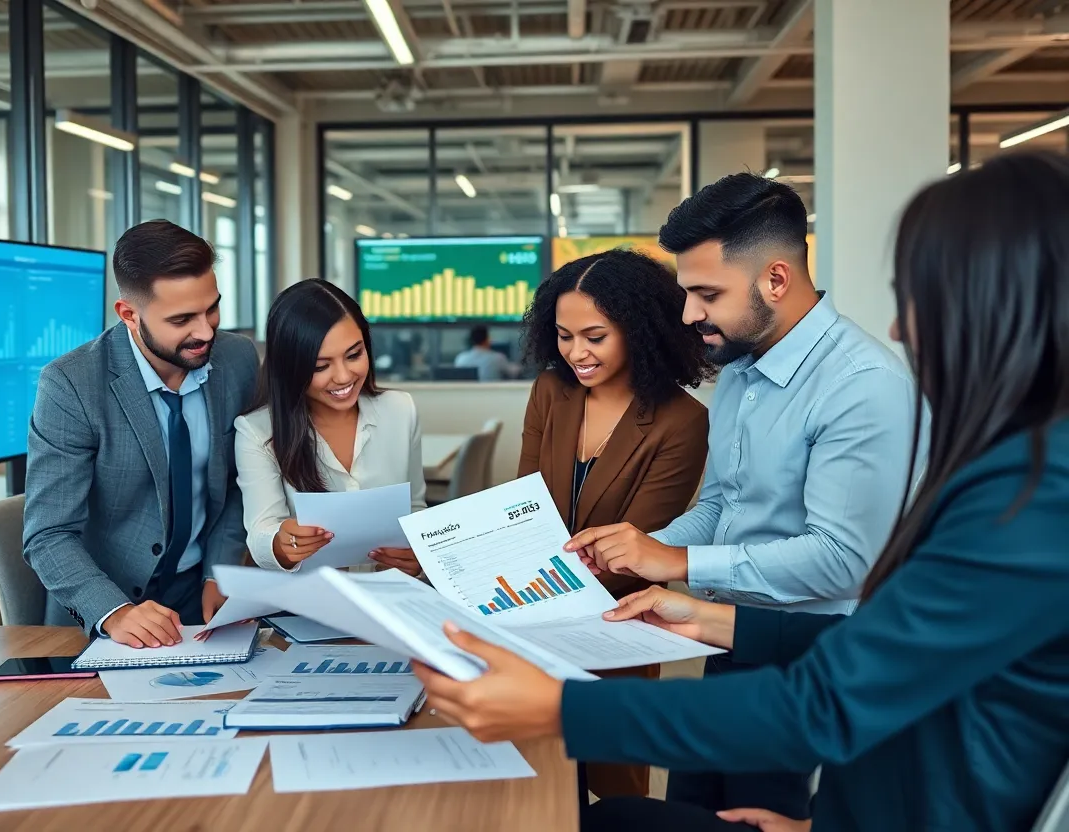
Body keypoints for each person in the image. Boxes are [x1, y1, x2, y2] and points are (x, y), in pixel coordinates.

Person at [412, 150, 1069, 832]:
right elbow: (726, 507)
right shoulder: (741, 378)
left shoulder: (1016, 491)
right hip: (768, 652)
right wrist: (698, 600)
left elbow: (834, 666)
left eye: (916, 299)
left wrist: (559, 707)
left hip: (811, 689)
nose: (901, 328)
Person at [562, 173, 921, 819]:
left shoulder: (863, 385)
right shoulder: (741, 368)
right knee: (700, 813)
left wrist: (680, 565)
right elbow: (725, 505)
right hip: (732, 640)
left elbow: (845, 558)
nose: (689, 314)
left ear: (775, 280)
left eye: (706, 294)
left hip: (815, 662)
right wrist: (643, 548)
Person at [518, 248, 711, 799]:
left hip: (616, 626)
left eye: (595, 337)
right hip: (529, 621)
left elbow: (638, 553)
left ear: (639, 331)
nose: (575, 352)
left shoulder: (682, 421)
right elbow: (521, 506)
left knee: (616, 791)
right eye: (563, 335)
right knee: (536, 783)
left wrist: (530, 583)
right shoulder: (551, 393)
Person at [23, 220, 257, 648]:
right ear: (129, 314)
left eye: (212, 309)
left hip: (200, 598)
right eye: (183, 319)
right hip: (107, 612)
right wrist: (113, 613)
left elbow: (238, 483)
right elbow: (48, 534)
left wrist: (218, 572)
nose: (206, 331)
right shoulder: (71, 384)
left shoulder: (238, 360)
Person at [235, 279, 425, 575]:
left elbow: (415, 509)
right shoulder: (256, 431)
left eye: (354, 355)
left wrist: (419, 553)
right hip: (310, 604)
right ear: (291, 367)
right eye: (320, 366)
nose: (343, 376)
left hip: (390, 597)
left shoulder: (401, 410)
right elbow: (261, 534)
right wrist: (280, 544)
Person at [454, 325, 518, 381]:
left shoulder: (461, 358)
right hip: (493, 393)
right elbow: (514, 372)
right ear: (487, 340)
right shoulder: (497, 358)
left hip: (468, 394)